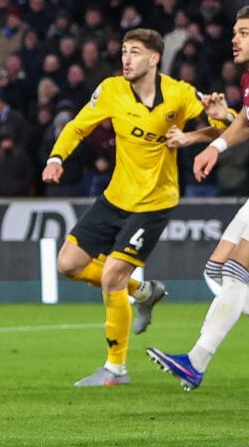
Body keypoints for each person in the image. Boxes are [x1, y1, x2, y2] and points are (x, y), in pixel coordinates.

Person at [41, 28, 232, 386]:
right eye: (124, 52)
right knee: (67, 265)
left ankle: (115, 370)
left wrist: (202, 128)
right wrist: (56, 157)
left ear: (154, 58)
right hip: (116, 197)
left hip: (154, 202)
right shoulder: (112, 90)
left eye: (134, 52)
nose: (126, 59)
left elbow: (228, 126)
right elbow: (77, 127)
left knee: (111, 275)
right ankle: (143, 291)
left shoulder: (179, 94)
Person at [147, 6, 249, 390]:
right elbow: (246, 122)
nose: (235, 38)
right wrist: (215, 146)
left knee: (236, 272)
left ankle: (195, 361)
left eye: (244, 32)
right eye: (235, 32)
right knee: (217, 270)